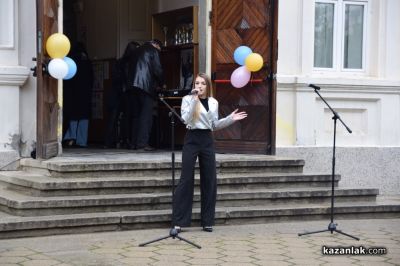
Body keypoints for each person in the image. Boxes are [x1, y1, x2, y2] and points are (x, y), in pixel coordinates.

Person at [172, 73, 247, 232]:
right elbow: (185, 119)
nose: (198, 86)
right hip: (191, 138)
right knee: (186, 179)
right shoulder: (188, 99)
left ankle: (207, 221)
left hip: (206, 139)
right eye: (196, 83)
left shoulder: (214, 102)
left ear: (207, 86)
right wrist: (194, 100)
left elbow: (214, 125)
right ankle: (179, 221)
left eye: (202, 84)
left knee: (209, 179)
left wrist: (230, 119)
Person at [129, 39, 164, 151]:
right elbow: (158, 70)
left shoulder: (136, 51)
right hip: (146, 86)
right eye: (160, 49)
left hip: (132, 87)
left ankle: (133, 143)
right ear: (157, 45)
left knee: (136, 116)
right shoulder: (153, 50)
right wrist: (162, 83)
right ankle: (142, 143)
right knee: (146, 116)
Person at [104, 41, 140, 148]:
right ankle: (125, 140)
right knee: (126, 118)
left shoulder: (119, 62)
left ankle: (109, 142)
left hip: (116, 93)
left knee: (113, 119)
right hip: (126, 94)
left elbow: (115, 78)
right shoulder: (134, 63)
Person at [63, 42, 93, 148]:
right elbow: (91, 79)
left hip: (72, 93)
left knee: (73, 116)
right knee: (84, 117)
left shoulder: (70, 61)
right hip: (85, 94)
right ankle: (82, 141)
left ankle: (70, 137)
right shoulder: (87, 62)